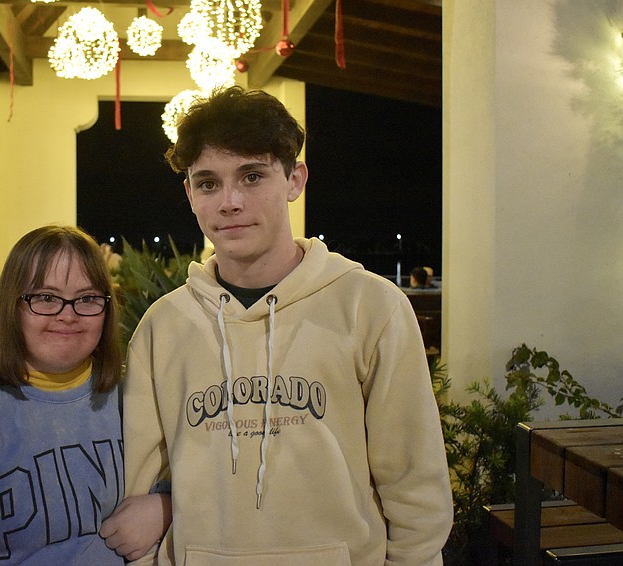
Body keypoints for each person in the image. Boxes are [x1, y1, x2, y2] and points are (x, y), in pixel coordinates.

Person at [121, 86, 453, 565]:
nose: (229, 201)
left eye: (252, 176)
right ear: (190, 193)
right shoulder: (163, 327)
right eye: (208, 183)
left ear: (295, 179)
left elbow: (413, 484)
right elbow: (140, 483)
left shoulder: (370, 307)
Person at [0, 225, 169, 565]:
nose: (67, 315)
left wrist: (166, 508)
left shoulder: (134, 399)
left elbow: (210, 483)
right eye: (45, 298)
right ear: (12, 306)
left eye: (86, 299)